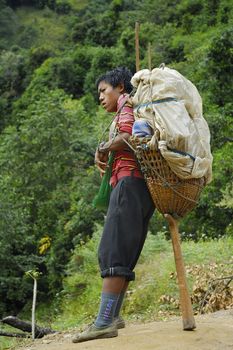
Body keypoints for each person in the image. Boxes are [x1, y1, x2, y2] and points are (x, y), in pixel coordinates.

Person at [72, 67, 155, 343]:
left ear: (120, 87)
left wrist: (105, 148)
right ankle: (114, 316)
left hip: (129, 185)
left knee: (113, 250)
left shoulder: (126, 108)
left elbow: (128, 137)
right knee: (124, 251)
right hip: (141, 190)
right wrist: (107, 147)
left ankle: (104, 321)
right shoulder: (132, 109)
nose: (100, 97)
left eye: (103, 90)